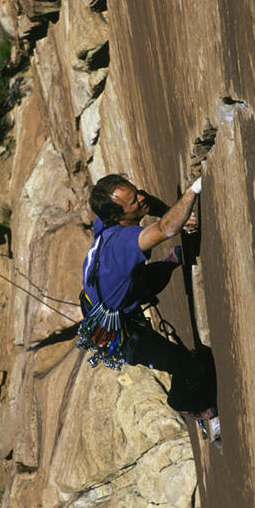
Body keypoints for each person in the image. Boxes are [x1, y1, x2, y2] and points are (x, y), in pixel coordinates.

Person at [78, 174, 220, 439]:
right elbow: (167, 229)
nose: (141, 198)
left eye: (136, 192)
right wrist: (193, 191)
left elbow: (151, 208)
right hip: (121, 333)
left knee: (141, 281)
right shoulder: (122, 244)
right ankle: (186, 405)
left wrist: (173, 212)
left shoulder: (106, 221)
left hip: (108, 299)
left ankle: (166, 264)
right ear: (117, 216)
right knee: (190, 367)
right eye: (133, 201)